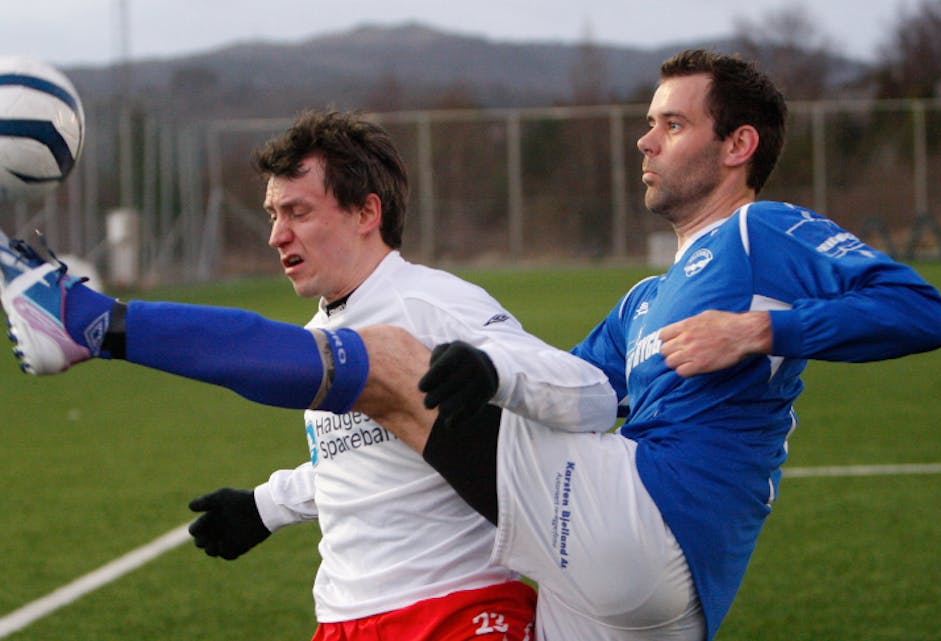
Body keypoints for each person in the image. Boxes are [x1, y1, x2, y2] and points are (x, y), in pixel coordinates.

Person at [1, 49, 941, 640]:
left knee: (396, 369)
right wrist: (269, 502)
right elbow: (573, 387)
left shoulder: (764, 232)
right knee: (399, 384)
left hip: (652, 520)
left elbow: (923, 312)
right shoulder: (644, 298)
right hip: (631, 597)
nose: (644, 140)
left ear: (739, 144)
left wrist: (765, 326)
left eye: (670, 121)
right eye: (647, 121)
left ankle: (86, 321)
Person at [0, 109, 617, 641]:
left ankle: (89, 323)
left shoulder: (432, 304)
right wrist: (266, 506)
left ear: (365, 213)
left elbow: (592, 394)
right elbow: (361, 462)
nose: (276, 235)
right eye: (272, 213)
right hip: (344, 618)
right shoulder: (326, 328)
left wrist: (494, 367)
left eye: (297, 211)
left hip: (459, 608)